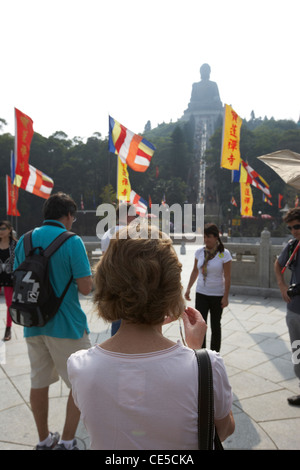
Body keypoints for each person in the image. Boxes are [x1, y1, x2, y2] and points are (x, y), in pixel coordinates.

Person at [67, 224, 234, 450]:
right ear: (172, 287)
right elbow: (223, 430)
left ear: (106, 283)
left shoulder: (80, 366)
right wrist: (196, 352)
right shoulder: (206, 367)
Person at [14, 192, 93, 450]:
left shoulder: (24, 240)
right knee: (81, 384)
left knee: (38, 383)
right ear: (68, 215)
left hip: (33, 324)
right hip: (67, 326)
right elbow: (85, 287)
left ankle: (44, 440)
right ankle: (68, 443)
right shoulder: (72, 241)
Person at [185, 223, 232, 352]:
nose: (206, 240)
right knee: (201, 324)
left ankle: (214, 353)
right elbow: (195, 271)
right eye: (204, 237)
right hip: (201, 293)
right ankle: (202, 352)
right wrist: (189, 288)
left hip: (217, 294)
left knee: (216, 325)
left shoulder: (224, 254)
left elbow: (227, 276)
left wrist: (225, 297)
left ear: (216, 237)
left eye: (209, 237)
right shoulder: (199, 252)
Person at [274, 207, 300, 406]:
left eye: (297, 226)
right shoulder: (292, 247)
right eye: (291, 228)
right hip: (294, 311)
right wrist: (282, 285)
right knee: (297, 352)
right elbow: (278, 264)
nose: (294, 231)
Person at [101, 202, 137, 335]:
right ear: (127, 216)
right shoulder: (133, 234)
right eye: (134, 215)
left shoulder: (107, 234)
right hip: (131, 285)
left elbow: (103, 262)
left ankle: (116, 351)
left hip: (112, 284)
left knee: (116, 324)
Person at [0, 220, 17, 341]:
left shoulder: (15, 244)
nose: (0, 232)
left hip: (9, 278)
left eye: (3, 229)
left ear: (9, 230)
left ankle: (8, 328)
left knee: (9, 304)